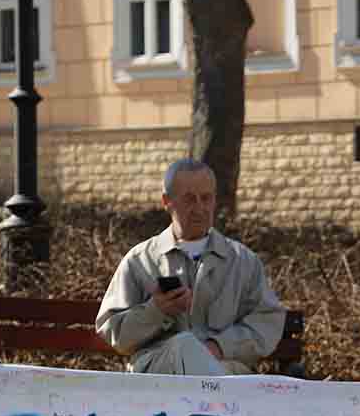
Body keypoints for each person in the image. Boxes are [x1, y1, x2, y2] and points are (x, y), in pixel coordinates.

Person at [96, 158, 286, 376]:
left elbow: (266, 322)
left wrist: (218, 347)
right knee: (185, 346)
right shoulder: (140, 260)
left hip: (224, 370)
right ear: (167, 201)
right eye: (189, 199)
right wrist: (156, 311)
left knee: (201, 360)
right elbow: (113, 332)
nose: (200, 208)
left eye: (206, 198)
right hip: (159, 375)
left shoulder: (242, 261)